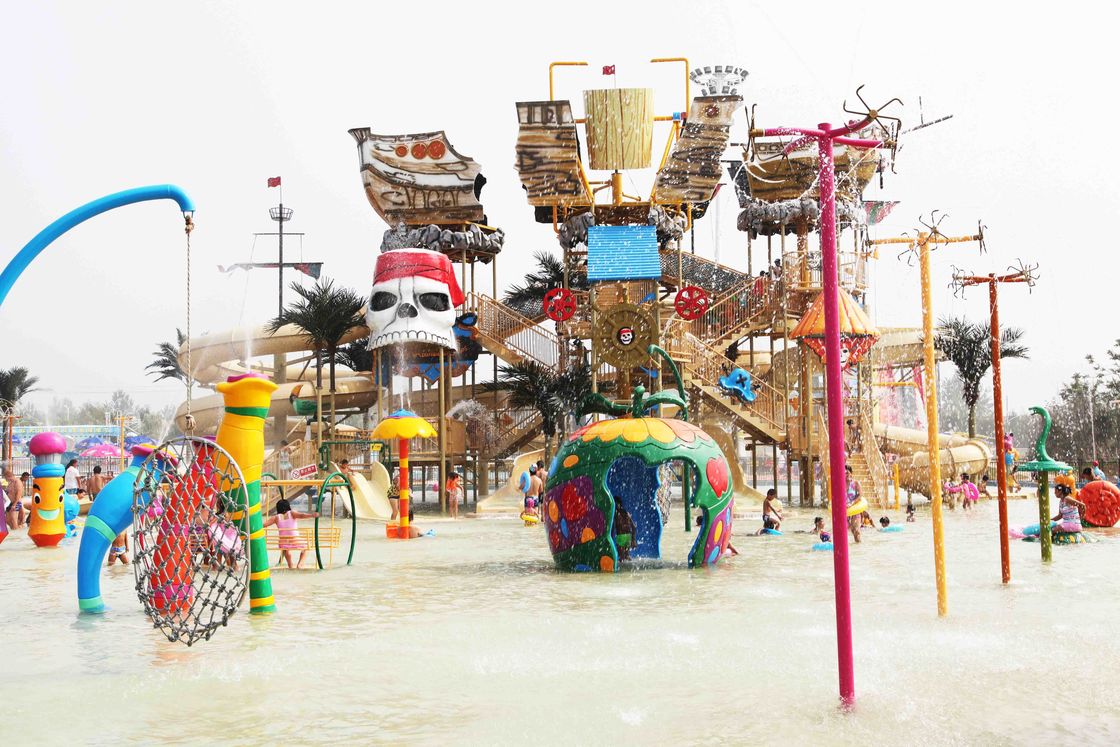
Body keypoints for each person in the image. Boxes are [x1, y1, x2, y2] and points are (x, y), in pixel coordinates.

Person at [263, 498, 319, 569]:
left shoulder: (275, 518)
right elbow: (301, 515)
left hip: (283, 542)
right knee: (308, 545)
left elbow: (263, 525)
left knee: (286, 550)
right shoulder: (291, 513)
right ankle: (300, 564)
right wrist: (311, 515)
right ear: (288, 506)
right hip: (294, 540)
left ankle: (290, 565)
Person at [4, 464, 25, 529]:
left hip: (15, 503)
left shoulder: (17, 482)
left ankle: (16, 531)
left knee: (13, 521)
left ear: (8, 476)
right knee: (7, 520)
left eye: (5, 477)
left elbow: (19, 493)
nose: (5, 479)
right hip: (9, 503)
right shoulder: (10, 483)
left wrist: (14, 504)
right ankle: (16, 529)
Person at [845, 465, 862, 543]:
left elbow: (860, 496)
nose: (846, 475)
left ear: (851, 473)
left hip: (854, 510)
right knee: (846, 533)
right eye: (844, 473)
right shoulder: (840, 484)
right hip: (844, 512)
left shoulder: (855, 483)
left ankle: (859, 548)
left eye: (848, 473)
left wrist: (851, 503)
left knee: (856, 532)